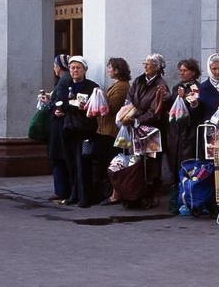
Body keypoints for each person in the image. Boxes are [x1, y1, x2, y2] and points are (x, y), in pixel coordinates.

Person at [119, 53, 169, 206]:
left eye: (149, 64)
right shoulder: (139, 80)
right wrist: (127, 112)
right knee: (136, 159)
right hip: (135, 126)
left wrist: (136, 119)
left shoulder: (160, 84)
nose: (145, 66)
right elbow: (130, 98)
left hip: (152, 129)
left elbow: (156, 110)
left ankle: (151, 194)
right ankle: (135, 192)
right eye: (145, 63)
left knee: (152, 161)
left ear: (157, 67)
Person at [55, 56, 100, 207]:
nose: (75, 70)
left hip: (85, 131)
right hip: (69, 130)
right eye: (72, 68)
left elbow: (96, 107)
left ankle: (85, 197)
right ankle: (74, 195)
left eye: (78, 68)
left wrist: (78, 107)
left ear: (84, 70)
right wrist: (58, 110)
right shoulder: (66, 84)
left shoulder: (92, 87)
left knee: (84, 165)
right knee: (71, 164)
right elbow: (59, 103)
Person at [96, 57, 131, 206]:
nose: (108, 70)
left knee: (112, 162)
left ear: (117, 70)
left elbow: (112, 106)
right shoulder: (116, 85)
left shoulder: (122, 86)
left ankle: (114, 193)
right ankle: (109, 192)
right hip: (105, 129)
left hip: (112, 130)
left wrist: (99, 96)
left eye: (110, 67)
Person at [164, 58, 205, 185]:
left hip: (189, 132)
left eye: (185, 70)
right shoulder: (177, 87)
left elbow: (196, 110)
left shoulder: (196, 88)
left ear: (193, 72)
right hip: (175, 132)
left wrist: (186, 98)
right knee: (173, 163)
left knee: (187, 163)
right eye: (180, 70)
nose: (181, 73)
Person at [43, 54, 72, 202]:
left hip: (59, 126)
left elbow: (59, 104)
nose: (53, 68)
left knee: (58, 158)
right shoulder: (66, 79)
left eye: (55, 65)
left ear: (59, 67)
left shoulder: (63, 81)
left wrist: (48, 104)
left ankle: (61, 190)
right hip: (63, 125)